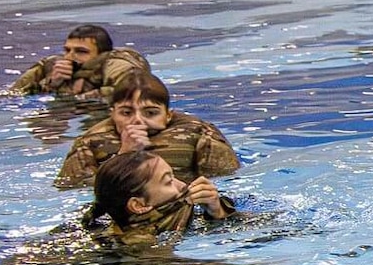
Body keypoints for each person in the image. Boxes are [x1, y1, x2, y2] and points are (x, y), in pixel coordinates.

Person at [55, 71, 241, 189]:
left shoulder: (200, 134)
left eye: (150, 112)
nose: (137, 120)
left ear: (168, 115)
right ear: (112, 114)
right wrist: (124, 155)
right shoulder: (89, 142)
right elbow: (72, 188)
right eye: (126, 112)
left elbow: (226, 180)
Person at [81, 150, 236, 244]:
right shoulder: (140, 247)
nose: (183, 185)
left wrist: (217, 211)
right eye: (168, 181)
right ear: (139, 205)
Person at [8, 24, 150, 101]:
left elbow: (136, 92)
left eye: (81, 52)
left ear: (102, 54)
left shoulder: (118, 66)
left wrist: (81, 96)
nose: (69, 57)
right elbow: (10, 95)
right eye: (67, 50)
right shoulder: (52, 65)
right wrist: (51, 84)